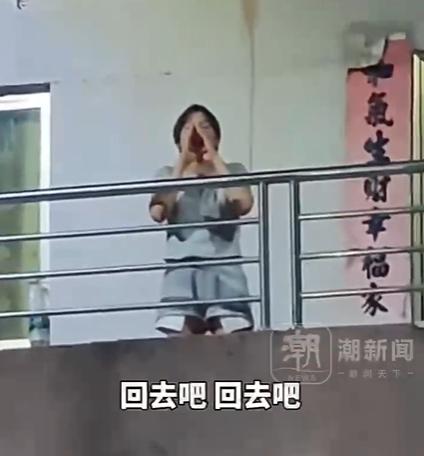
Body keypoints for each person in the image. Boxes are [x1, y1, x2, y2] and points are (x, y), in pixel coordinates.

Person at [149, 104, 254, 336]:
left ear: (217, 135)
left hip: (225, 266)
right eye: (188, 128)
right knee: (181, 341)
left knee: (231, 339)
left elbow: (243, 204)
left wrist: (214, 159)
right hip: (181, 266)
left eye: (205, 127)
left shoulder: (233, 170)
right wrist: (182, 163)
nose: (197, 133)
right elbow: (158, 212)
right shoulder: (167, 174)